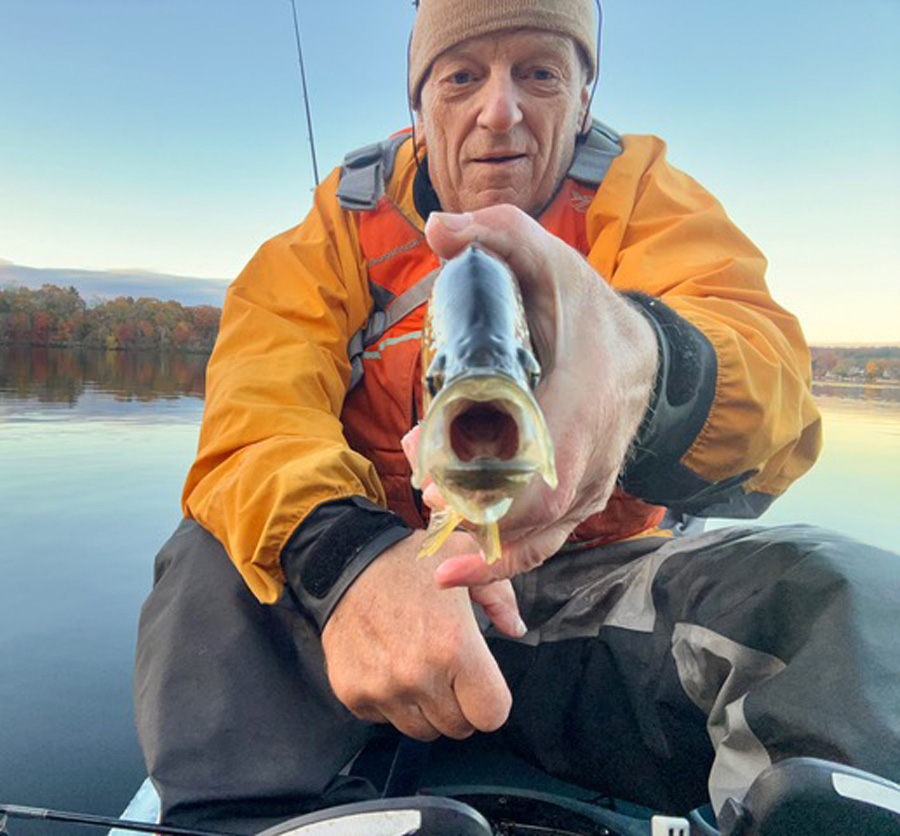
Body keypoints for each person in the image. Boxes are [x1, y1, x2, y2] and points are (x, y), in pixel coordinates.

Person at [134, 1, 900, 833]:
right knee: (212, 558)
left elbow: (772, 377)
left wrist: (646, 370)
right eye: (462, 76)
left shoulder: (643, 197)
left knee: (841, 593)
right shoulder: (337, 231)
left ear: (582, 97)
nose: (499, 110)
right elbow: (257, 412)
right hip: (373, 602)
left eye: (539, 72)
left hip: (583, 601)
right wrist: (350, 559)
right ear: (418, 108)